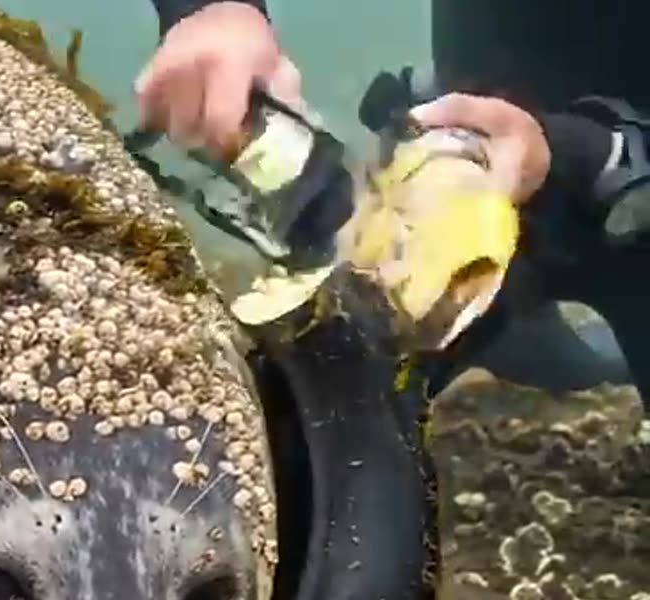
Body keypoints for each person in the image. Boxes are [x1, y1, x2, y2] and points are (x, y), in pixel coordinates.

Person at [135, 0, 650, 403]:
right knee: (500, 322)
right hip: (477, 137)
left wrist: (583, 155)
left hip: (626, 202)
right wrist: (213, 10)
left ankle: (581, 358)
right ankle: (535, 344)